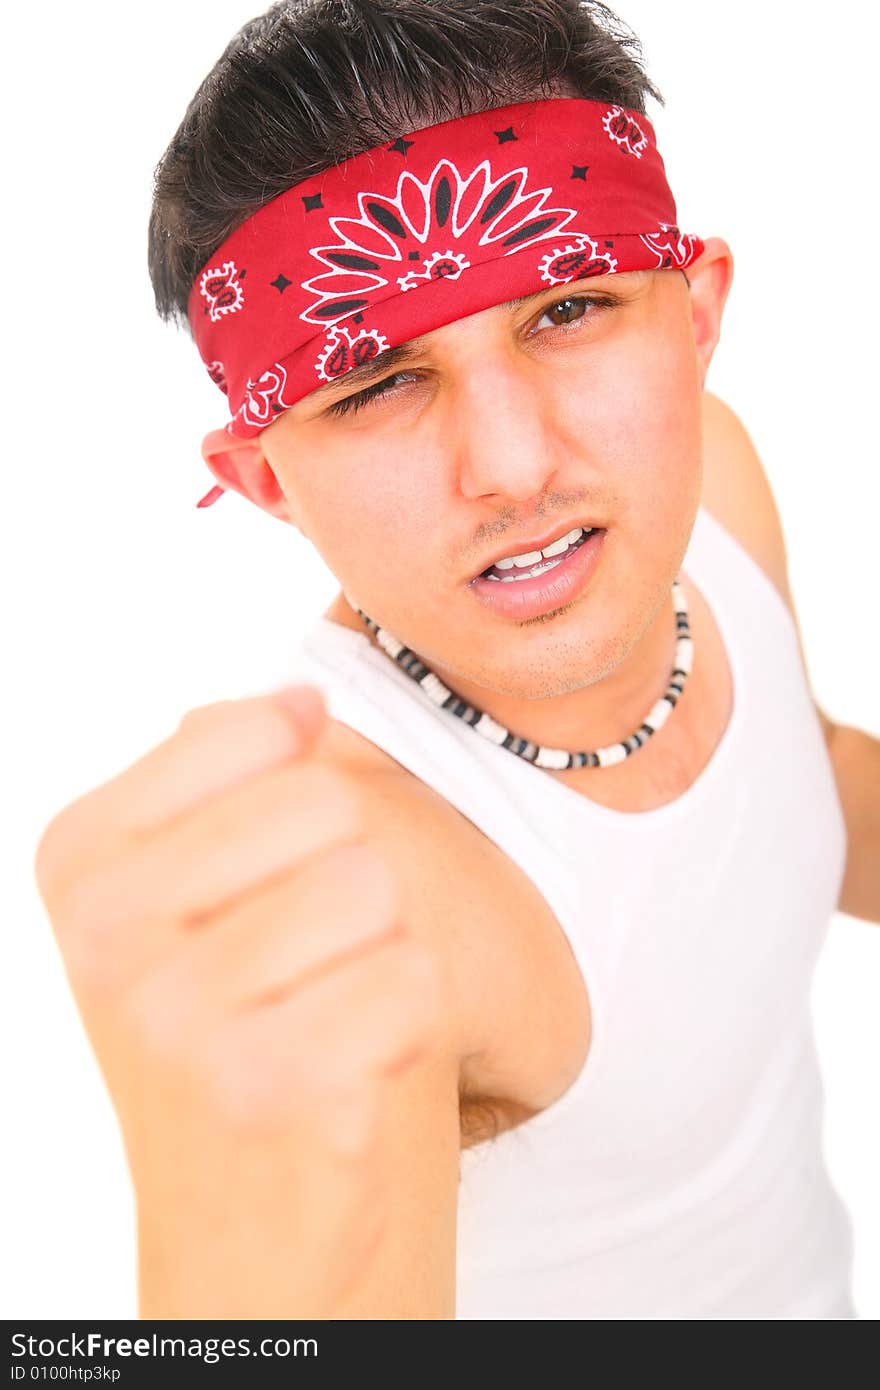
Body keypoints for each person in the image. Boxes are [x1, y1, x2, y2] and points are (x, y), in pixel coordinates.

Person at [34, 0, 878, 1320]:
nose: (515, 464)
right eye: (376, 383)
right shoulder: (374, 893)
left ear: (696, 314)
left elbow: (808, 769)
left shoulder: (718, 495)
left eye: (569, 310)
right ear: (267, 483)